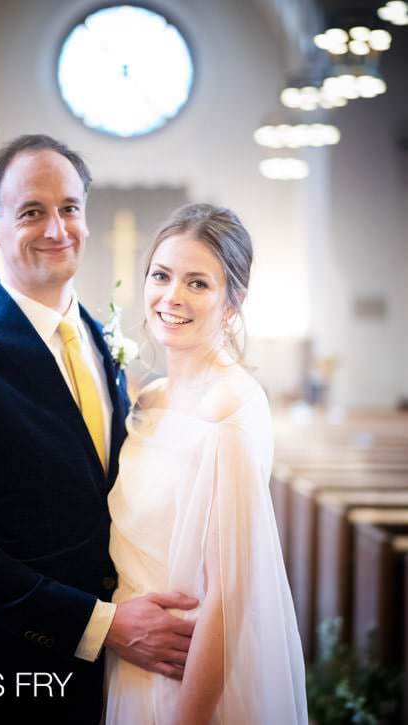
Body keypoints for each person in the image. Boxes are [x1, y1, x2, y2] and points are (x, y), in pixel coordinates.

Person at [0, 135, 197, 724]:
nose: (57, 228)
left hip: (96, 685)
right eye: (32, 211)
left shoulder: (100, 339)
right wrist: (104, 626)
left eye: (69, 208)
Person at [105, 203, 308, 724]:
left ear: (232, 301)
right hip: (129, 655)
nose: (172, 296)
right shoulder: (150, 398)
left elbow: (229, 597)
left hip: (188, 677)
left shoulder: (231, 406)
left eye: (198, 283)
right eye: (162, 275)